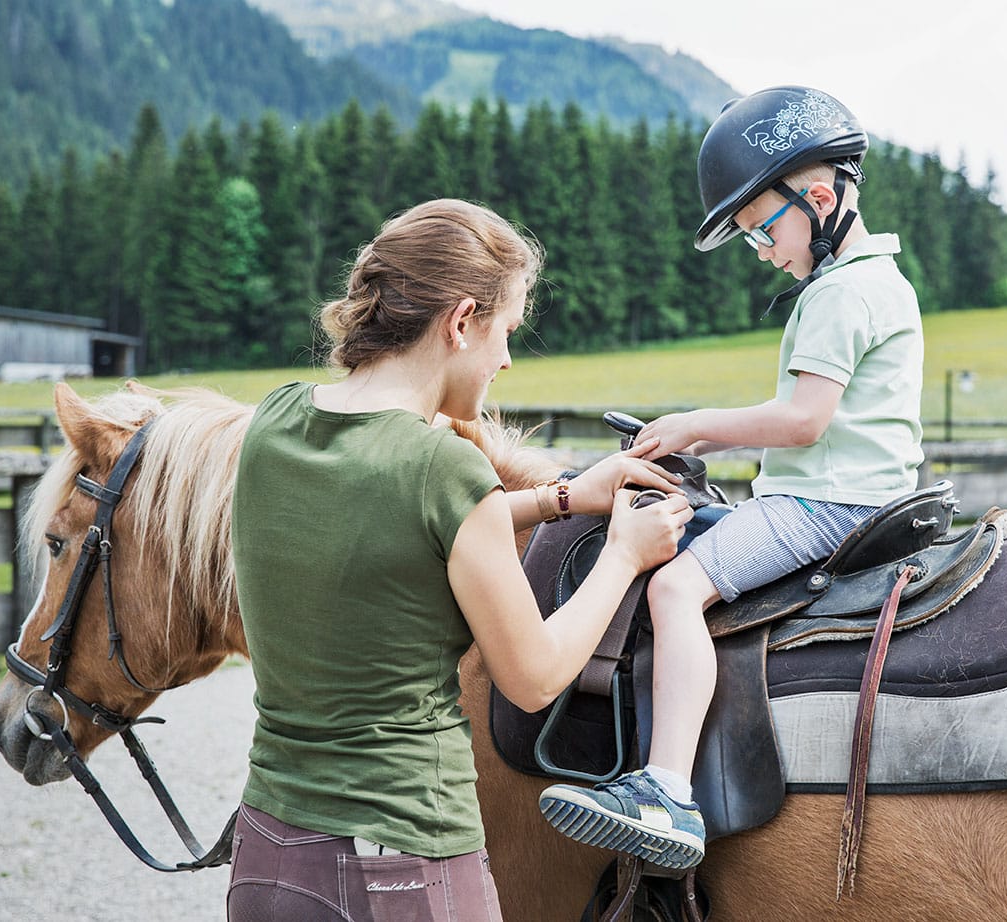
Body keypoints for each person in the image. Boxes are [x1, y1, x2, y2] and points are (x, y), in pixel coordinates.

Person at [227, 199, 694, 921]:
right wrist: (624, 558)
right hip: (404, 864)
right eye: (505, 332)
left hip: (266, 852)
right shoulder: (442, 467)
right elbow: (534, 676)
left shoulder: (276, 419)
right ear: (461, 320)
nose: (506, 359)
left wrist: (563, 497)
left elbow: (404, 527)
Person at [538, 86, 925, 869]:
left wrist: (694, 423)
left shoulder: (841, 293)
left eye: (761, 230)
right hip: (855, 493)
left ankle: (666, 790)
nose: (761, 250)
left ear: (818, 200)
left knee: (675, 587)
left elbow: (803, 421)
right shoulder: (871, 282)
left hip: (825, 506)